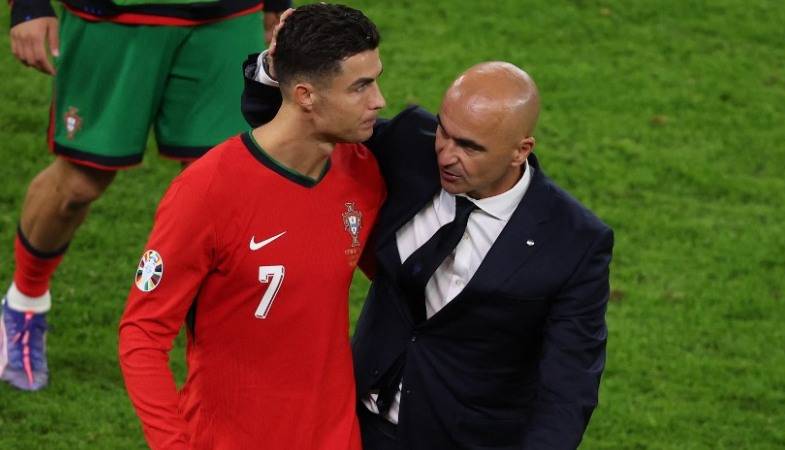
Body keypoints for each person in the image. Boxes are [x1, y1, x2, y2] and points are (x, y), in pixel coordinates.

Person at [242, 30, 614, 450]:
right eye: (444, 131)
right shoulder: (411, 149)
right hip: (351, 426)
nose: (446, 154)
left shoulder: (574, 241)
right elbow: (291, 128)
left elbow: (568, 387)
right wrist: (277, 67)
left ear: (520, 150)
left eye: (469, 147)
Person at [117, 4, 386, 449]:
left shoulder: (363, 173)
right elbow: (142, 335)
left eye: (375, 80)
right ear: (305, 95)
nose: (379, 100)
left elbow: (396, 281)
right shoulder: (207, 192)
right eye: (360, 86)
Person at [0, 0, 290, 391]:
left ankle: (224, 347)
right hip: (112, 18)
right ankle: (24, 305)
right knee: (78, 185)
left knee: (226, 185)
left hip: (227, 18)